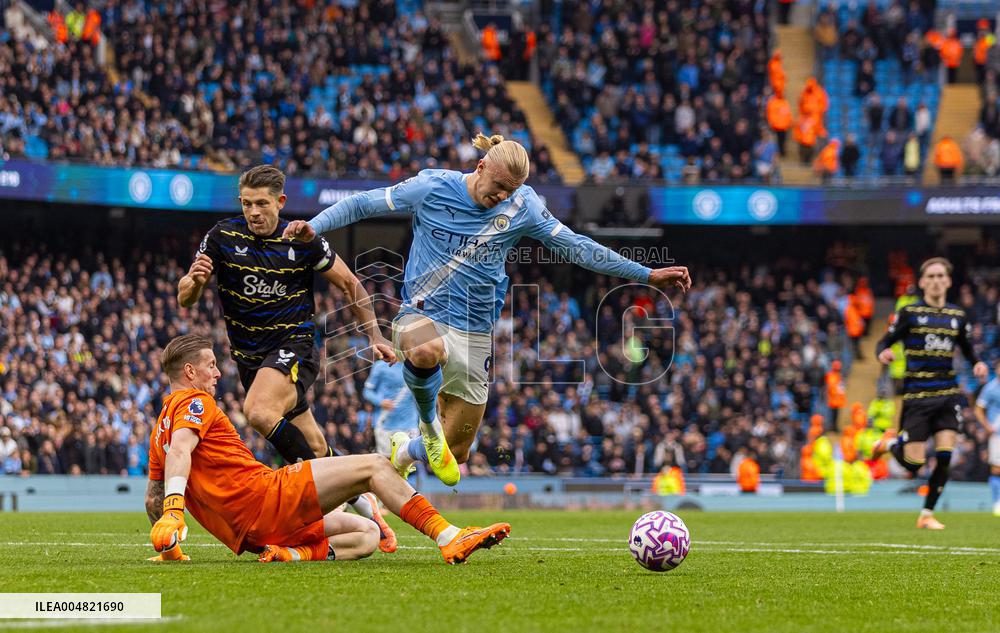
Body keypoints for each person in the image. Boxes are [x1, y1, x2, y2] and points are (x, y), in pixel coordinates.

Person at [284, 133, 691, 486]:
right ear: (480, 167)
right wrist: (314, 226)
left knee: (458, 453)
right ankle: (426, 428)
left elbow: (578, 247)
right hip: (421, 313)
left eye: (510, 191)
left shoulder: (523, 206)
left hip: (476, 332)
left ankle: (406, 450)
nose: (502, 197)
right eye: (498, 187)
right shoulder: (432, 187)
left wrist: (645, 274)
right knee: (425, 350)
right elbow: (362, 203)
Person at [177, 165, 398, 551]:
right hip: (251, 360)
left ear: (280, 202)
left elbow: (350, 283)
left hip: (294, 346)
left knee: (258, 411)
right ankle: (366, 503)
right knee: (314, 445)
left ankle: (314, 493)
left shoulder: (303, 239)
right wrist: (194, 283)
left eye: (262, 203)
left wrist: (375, 335)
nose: (253, 212)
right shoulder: (223, 236)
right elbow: (185, 297)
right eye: (247, 203)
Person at [145, 334, 510, 564]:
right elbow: (181, 452)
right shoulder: (196, 403)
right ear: (189, 372)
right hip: (268, 497)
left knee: (367, 534)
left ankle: (291, 554)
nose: (217, 373)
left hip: (257, 537)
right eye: (210, 366)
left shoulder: (159, 431)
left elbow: (152, 498)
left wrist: (170, 548)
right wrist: (175, 510)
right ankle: (449, 536)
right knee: (375, 465)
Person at [873, 257, 988, 529]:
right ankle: (890, 445)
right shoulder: (909, 313)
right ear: (923, 282)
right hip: (917, 395)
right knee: (913, 464)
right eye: (931, 276)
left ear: (948, 281)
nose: (936, 281)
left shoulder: (957, 316)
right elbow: (884, 341)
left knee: (945, 456)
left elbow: (967, 349)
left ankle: (926, 514)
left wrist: (977, 364)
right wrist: (883, 352)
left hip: (947, 393)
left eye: (940, 276)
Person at [363, 360, 419, 459]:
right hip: (386, 424)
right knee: (386, 462)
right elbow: (367, 391)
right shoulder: (380, 366)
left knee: (410, 460)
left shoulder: (415, 365)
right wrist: (380, 401)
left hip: (410, 423)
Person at [973, 361, 1000, 516]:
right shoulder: (990, 388)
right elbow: (978, 409)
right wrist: (987, 426)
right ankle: (997, 502)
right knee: (997, 469)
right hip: (997, 433)